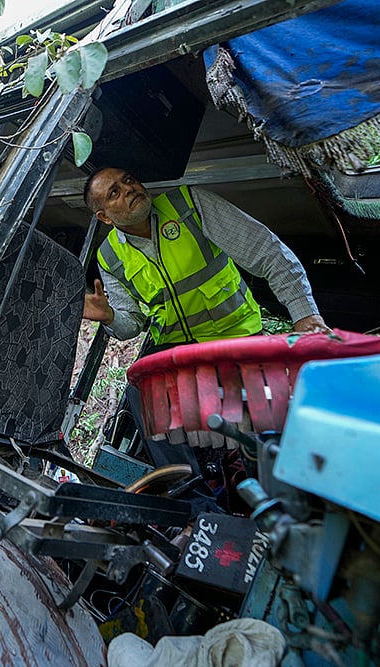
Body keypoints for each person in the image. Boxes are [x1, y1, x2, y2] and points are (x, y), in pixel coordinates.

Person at [82, 167, 329, 471]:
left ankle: (272, 492)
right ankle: (190, 498)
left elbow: (267, 251)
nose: (128, 188)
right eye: (114, 193)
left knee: (261, 434)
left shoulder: (188, 205)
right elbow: (129, 324)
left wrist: (305, 314)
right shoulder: (108, 256)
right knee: (140, 386)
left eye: (128, 180)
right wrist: (108, 317)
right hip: (178, 353)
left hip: (236, 338)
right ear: (104, 217)